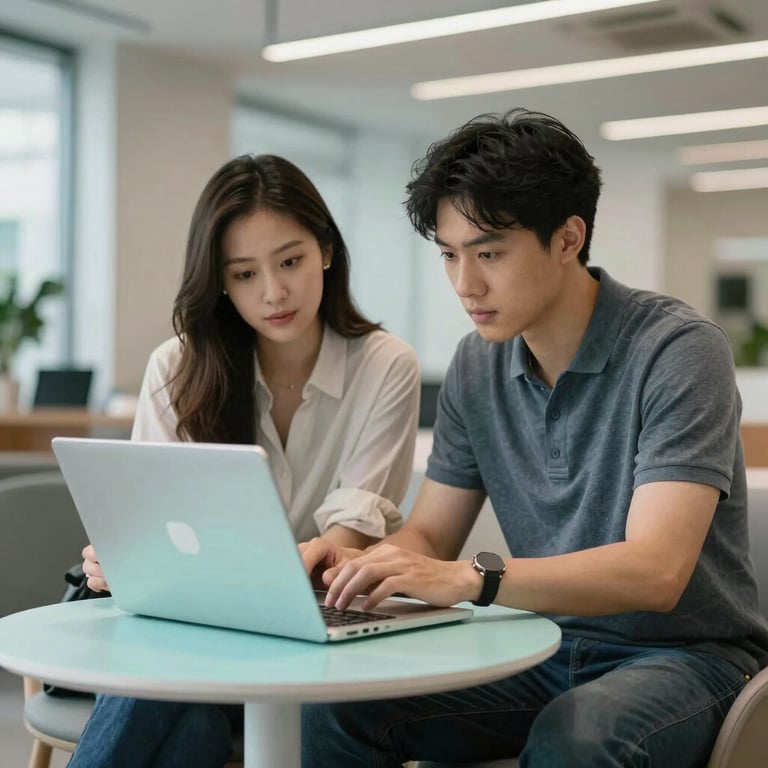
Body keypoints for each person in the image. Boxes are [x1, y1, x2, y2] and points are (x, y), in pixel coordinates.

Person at [300, 109, 768, 768]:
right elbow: (432, 537)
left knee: (576, 736)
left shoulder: (678, 351)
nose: (465, 285)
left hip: (687, 659)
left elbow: (656, 571)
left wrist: (469, 580)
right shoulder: (476, 363)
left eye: (489, 253)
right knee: (343, 706)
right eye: (450, 255)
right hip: (542, 646)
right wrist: (366, 565)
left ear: (569, 238)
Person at [67, 153, 420, 768]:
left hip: (315, 648)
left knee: (175, 703)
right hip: (188, 640)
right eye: (244, 274)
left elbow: (346, 543)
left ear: (327, 251)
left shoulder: (385, 366)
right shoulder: (177, 368)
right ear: (220, 283)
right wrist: (123, 559)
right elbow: (153, 528)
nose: (274, 292)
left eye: (290, 261)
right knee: (189, 718)